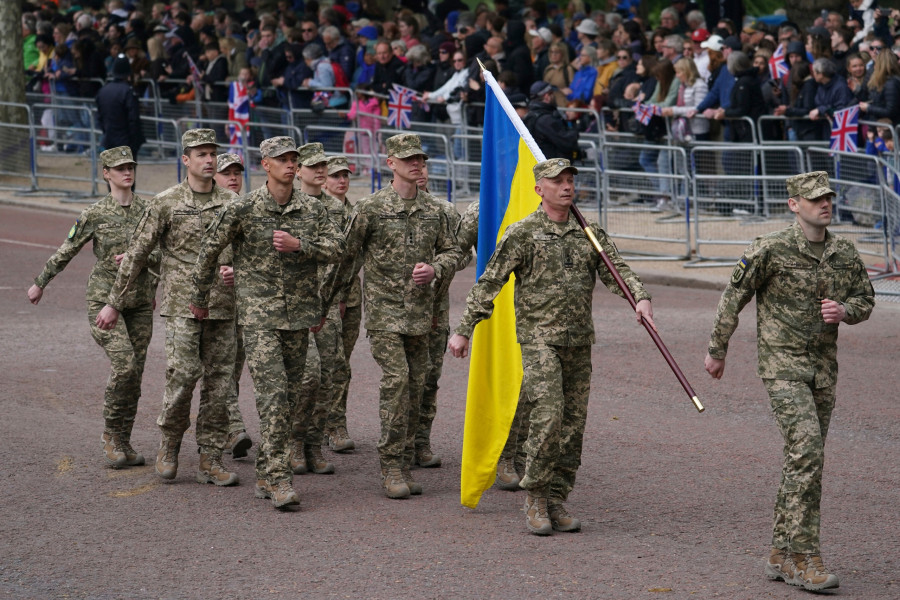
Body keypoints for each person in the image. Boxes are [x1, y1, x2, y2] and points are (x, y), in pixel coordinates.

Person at [448, 158, 655, 535]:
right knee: (549, 415)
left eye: (570, 180)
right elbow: (489, 282)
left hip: (578, 341)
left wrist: (639, 298)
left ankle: (558, 498)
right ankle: (536, 498)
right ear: (539, 188)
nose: (566, 186)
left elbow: (617, 271)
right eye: (557, 180)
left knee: (573, 426)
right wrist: (464, 329)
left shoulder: (588, 232)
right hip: (539, 339)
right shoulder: (523, 233)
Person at [704, 171, 875, 592]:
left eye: (828, 198)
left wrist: (846, 311)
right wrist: (717, 349)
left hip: (823, 370)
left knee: (804, 461)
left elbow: (866, 299)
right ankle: (803, 557)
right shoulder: (771, 248)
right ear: (793, 204)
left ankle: (780, 552)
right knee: (807, 450)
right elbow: (734, 296)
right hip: (782, 367)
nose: (825, 204)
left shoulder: (843, 252)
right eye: (815, 199)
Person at [190, 136, 345, 509]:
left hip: (299, 316)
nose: (290, 165)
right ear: (266, 165)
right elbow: (209, 251)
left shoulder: (312, 209)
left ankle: (265, 470)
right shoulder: (243, 209)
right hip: (259, 317)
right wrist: (199, 298)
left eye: (294, 159)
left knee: (291, 397)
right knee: (274, 397)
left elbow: (339, 249)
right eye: (283, 159)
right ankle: (278, 479)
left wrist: (300, 246)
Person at [95, 129, 240, 488]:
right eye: (200, 154)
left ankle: (210, 458)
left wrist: (238, 268)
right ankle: (170, 444)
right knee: (184, 375)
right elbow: (137, 256)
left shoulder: (234, 204)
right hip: (181, 307)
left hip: (224, 306)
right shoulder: (166, 202)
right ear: (186, 160)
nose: (208, 159)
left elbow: (251, 251)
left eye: (212, 153)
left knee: (221, 387)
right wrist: (114, 302)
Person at [330, 134, 462, 499]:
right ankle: (390, 467)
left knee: (418, 387)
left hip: (422, 316)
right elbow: (345, 256)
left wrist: (435, 268)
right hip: (385, 315)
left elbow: (454, 252)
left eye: (420, 159)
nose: (416, 164)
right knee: (398, 381)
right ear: (390, 164)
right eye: (408, 159)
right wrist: (331, 300)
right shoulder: (370, 209)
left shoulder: (435, 210)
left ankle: (405, 460)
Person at [28, 147, 157, 468]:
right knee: (125, 365)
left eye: (130, 166)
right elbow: (67, 249)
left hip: (139, 303)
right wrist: (40, 282)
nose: (127, 172)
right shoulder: (95, 213)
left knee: (136, 375)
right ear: (106, 174)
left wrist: (139, 262)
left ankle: (124, 440)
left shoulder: (150, 210)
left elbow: (163, 254)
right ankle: (111, 436)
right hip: (104, 300)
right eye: (119, 168)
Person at [289, 143, 346, 476]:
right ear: (299, 171)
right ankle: (294, 441)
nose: (320, 171)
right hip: (294, 304)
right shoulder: (289, 206)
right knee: (306, 377)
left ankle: (313, 445)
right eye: (313, 166)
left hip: (327, 304)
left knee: (328, 376)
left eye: (323, 165)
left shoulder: (336, 210)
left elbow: (343, 256)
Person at [213, 153, 253, 459]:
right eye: (226, 172)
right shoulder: (207, 209)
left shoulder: (252, 208)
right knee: (222, 369)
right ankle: (233, 429)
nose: (233, 178)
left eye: (237, 172)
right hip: (214, 304)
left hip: (248, 305)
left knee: (234, 370)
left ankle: (222, 428)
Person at [322, 156, 360, 453]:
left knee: (341, 364)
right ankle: (318, 425)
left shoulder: (355, 212)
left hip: (351, 297)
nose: (342, 181)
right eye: (335, 176)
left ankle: (336, 423)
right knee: (319, 366)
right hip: (322, 297)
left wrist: (346, 296)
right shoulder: (317, 210)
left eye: (345, 176)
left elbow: (356, 257)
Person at [96, 56, 145, 155]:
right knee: (126, 169)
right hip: (125, 141)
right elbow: (133, 119)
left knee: (113, 168)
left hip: (109, 140)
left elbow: (99, 117)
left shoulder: (103, 91)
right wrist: (134, 141)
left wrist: (107, 132)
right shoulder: (128, 91)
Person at [524, 81, 581, 163]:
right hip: (553, 168)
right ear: (547, 97)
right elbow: (566, 141)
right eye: (552, 94)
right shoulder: (546, 120)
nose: (554, 96)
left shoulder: (532, 115)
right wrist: (574, 130)